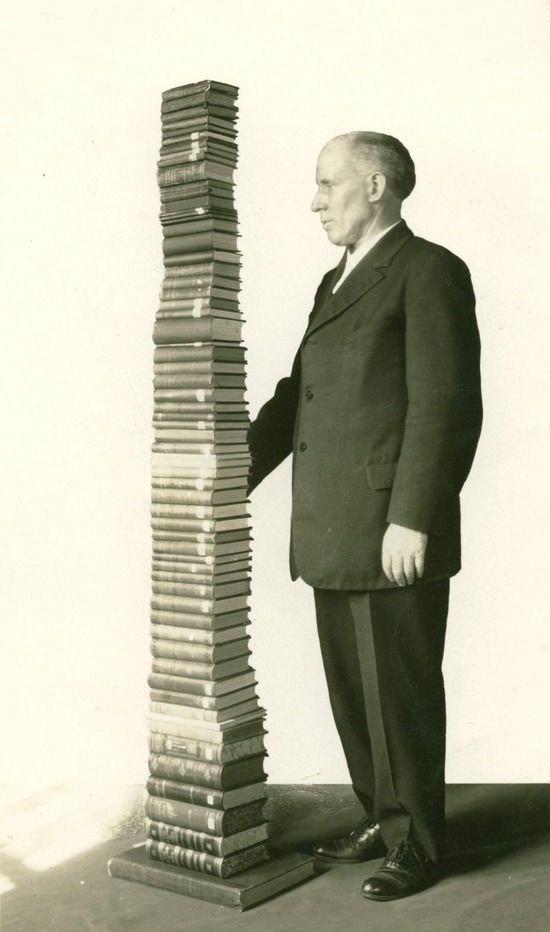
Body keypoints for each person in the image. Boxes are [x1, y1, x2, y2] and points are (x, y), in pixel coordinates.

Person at [247, 132, 482, 901]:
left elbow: (446, 406)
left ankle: (417, 842)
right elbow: (299, 392)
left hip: (390, 527)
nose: (315, 201)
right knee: (354, 689)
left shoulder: (428, 270)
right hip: (332, 524)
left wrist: (414, 516)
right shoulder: (335, 280)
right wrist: (233, 470)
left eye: (326, 184)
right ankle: (384, 818)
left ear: (376, 186)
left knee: (399, 692)